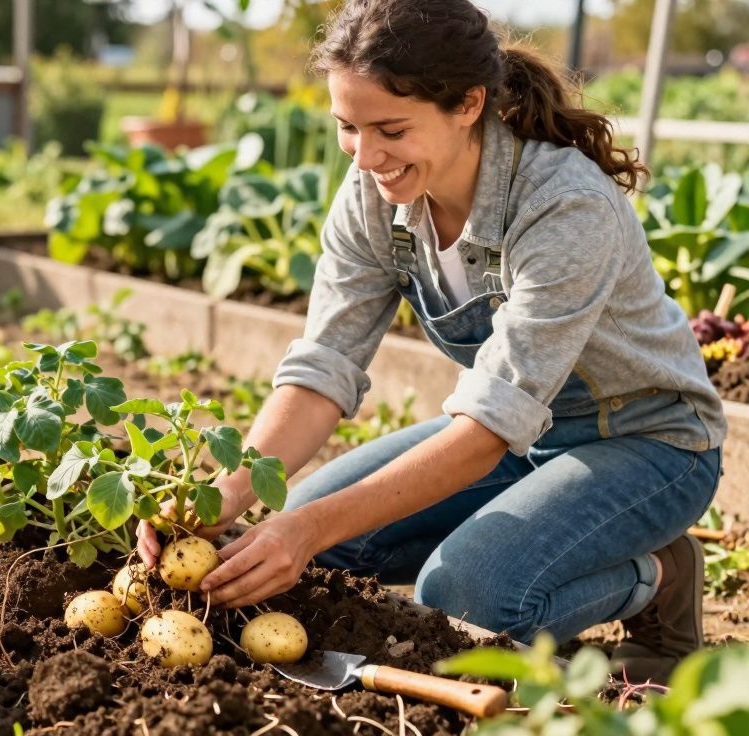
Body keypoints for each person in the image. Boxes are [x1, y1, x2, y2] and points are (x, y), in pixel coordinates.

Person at [136, 0, 724, 685]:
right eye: (347, 128)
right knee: (312, 548)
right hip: (522, 438)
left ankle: (654, 573)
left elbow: (482, 431)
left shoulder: (562, 203)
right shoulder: (375, 194)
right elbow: (324, 367)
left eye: (390, 129)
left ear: (469, 104)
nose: (366, 155)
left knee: (461, 601)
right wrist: (224, 494)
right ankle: (538, 529)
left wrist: (307, 530)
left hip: (649, 444)